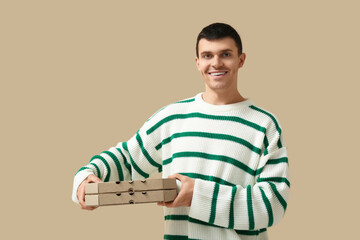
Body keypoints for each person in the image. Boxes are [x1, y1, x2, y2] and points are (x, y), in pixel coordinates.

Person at [72, 22, 290, 240]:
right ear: (197, 62)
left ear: (241, 60)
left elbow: (272, 205)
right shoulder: (172, 118)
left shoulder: (264, 125)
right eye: (207, 56)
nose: (216, 63)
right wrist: (87, 176)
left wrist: (198, 196)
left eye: (225, 54)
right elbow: (128, 158)